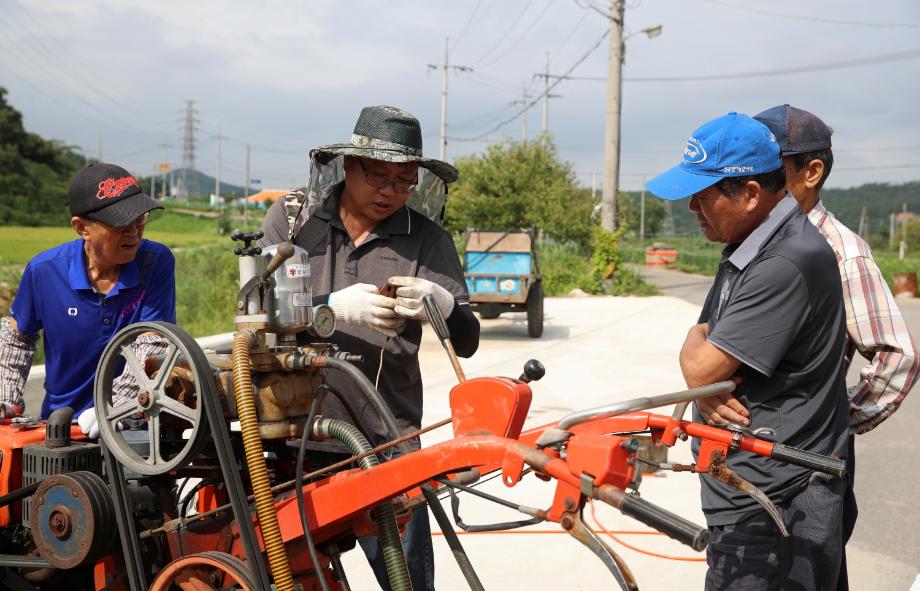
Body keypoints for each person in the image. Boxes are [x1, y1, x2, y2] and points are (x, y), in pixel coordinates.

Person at [260, 105, 480, 591]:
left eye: (403, 182)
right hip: (289, 440)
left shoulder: (426, 238)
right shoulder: (295, 221)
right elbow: (253, 316)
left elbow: (468, 340)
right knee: (290, 577)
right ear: (347, 166)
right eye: (378, 177)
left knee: (408, 581)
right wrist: (330, 308)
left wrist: (444, 306)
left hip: (387, 442)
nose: (390, 192)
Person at [645, 112, 849, 589]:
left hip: (776, 503)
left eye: (704, 192)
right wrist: (705, 371)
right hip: (751, 490)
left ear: (751, 193)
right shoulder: (749, 245)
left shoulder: (783, 260)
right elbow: (705, 339)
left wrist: (705, 376)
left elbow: (701, 364)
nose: (693, 205)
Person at [754, 104, 919, 590]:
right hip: (753, 458)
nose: (757, 183)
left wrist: (837, 421)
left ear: (811, 172)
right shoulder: (760, 241)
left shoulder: (840, 252)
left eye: (770, 170)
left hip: (808, 466)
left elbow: (898, 354)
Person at [0, 163, 176, 438]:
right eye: (120, 223)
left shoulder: (154, 262)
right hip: (60, 426)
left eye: (140, 218)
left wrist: (115, 407)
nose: (133, 231)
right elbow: (16, 340)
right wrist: (7, 400)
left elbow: (152, 342)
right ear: (81, 227)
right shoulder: (45, 271)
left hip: (131, 424)